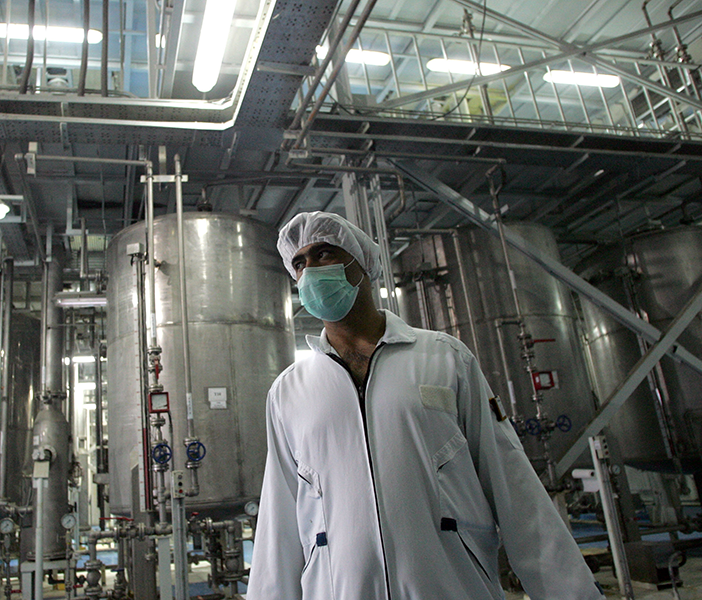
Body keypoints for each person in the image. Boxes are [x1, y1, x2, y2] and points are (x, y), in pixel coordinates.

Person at [245, 211, 604, 600]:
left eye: (324, 254)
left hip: (452, 588)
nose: (310, 270)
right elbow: (278, 524)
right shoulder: (289, 391)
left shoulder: (444, 358)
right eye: (299, 263)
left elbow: (514, 488)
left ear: (361, 263)